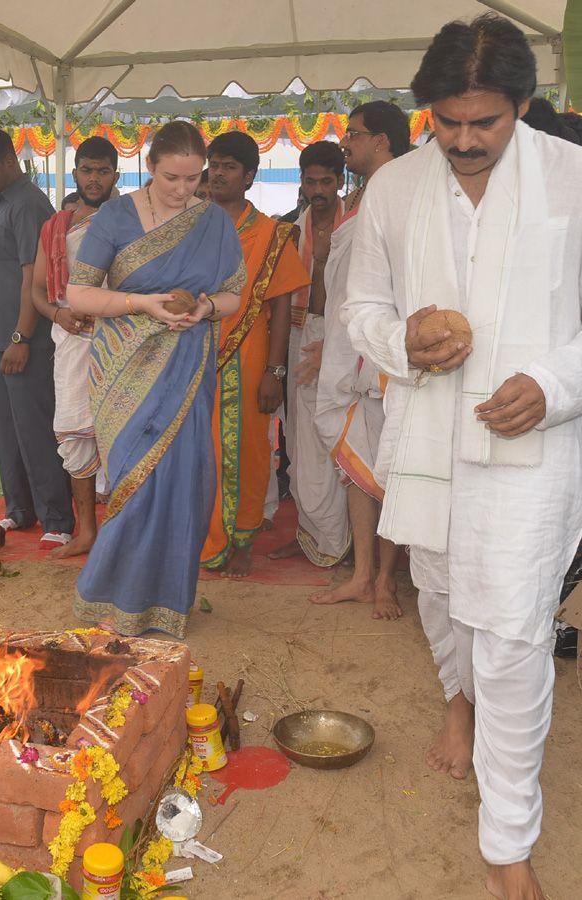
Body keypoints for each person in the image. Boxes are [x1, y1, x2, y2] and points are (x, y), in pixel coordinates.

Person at [342, 14, 582, 899]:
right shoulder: (397, 187)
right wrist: (399, 338)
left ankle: (507, 843)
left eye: (485, 122)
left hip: (533, 448)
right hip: (427, 437)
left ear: (523, 105)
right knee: (440, 597)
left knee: (514, 632)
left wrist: (556, 385)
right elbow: (362, 302)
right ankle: (458, 704)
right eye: (449, 122)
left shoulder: (575, 180)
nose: (466, 141)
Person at [67, 121, 245, 637]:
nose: (184, 190)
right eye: (172, 178)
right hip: (124, 371)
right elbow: (79, 295)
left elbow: (235, 294)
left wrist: (207, 305)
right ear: (150, 168)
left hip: (187, 368)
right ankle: (111, 598)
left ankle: (165, 604)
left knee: (183, 482)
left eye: (194, 179)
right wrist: (142, 304)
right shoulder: (117, 217)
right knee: (134, 487)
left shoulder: (213, 223)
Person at [311, 101, 411, 618]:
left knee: (389, 468)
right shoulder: (361, 197)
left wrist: (375, 353)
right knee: (354, 466)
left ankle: (388, 582)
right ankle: (363, 575)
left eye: (354, 134)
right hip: (346, 349)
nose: (345, 142)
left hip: (385, 357)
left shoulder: (406, 190)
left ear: (383, 141)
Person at [201, 131, 310, 577]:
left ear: (249, 176)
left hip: (248, 359)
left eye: (229, 166)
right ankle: (202, 540)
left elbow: (281, 305)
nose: (218, 173)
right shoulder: (191, 224)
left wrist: (275, 371)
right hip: (193, 357)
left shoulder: (271, 233)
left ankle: (242, 541)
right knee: (199, 452)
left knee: (249, 452)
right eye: (214, 164)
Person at [0, 127, 74, 547]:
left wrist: (21, 336)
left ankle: (58, 518)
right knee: (6, 431)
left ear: (9, 160)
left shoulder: (27, 204)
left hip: (23, 339)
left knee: (35, 429)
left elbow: (31, 278)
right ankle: (19, 510)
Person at [31, 136, 119, 558]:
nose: (94, 178)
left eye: (103, 171)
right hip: (70, 339)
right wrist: (58, 315)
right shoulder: (56, 227)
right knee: (74, 434)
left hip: (120, 339)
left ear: (115, 175)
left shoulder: (129, 221)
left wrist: (107, 311)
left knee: (122, 435)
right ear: (75, 174)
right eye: (87, 170)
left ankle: (123, 534)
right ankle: (86, 532)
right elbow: (36, 291)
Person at [271, 140, 346, 564]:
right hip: (299, 337)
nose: (318, 189)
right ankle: (309, 537)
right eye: (310, 180)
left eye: (326, 182)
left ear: (339, 182)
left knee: (329, 439)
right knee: (298, 445)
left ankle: (339, 542)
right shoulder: (290, 229)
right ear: (301, 181)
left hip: (339, 339)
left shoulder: (353, 225)